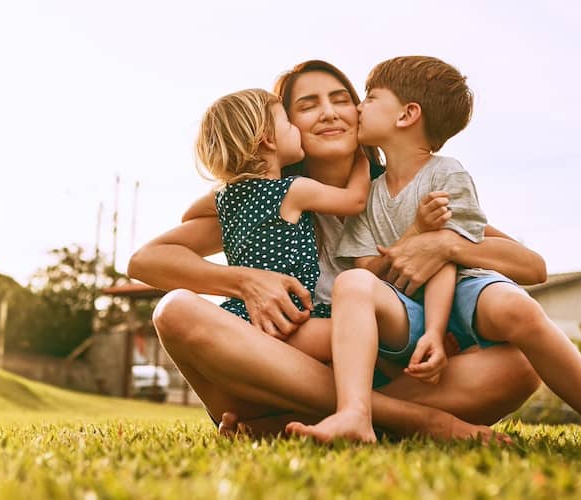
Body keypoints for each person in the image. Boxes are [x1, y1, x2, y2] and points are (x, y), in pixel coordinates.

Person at [287, 56, 581, 452]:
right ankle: (364, 416)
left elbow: (495, 262)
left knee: (516, 310)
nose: (354, 109)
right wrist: (416, 238)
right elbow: (369, 274)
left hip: (455, 293)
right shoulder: (335, 197)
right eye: (308, 105)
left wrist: (440, 269)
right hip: (397, 328)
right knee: (351, 284)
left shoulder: (442, 177)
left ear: (407, 115)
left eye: (363, 98)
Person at [128, 60, 546, 441]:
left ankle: (299, 422)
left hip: (392, 374)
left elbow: (531, 266)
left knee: (519, 367)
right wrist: (243, 281)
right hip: (275, 372)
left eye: (342, 100)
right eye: (308, 106)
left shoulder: (405, 193)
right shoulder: (269, 199)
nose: (329, 112)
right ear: (280, 128)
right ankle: (410, 421)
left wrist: (445, 242)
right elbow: (147, 260)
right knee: (175, 310)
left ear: (360, 113)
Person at [193, 87, 370, 360]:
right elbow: (355, 201)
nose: (295, 129)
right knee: (370, 338)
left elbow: (189, 216)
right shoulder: (293, 190)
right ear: (268, 140)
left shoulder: (225, 198)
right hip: (292, 320)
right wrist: (362, 160)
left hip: (242, 315)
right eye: (287, 123)